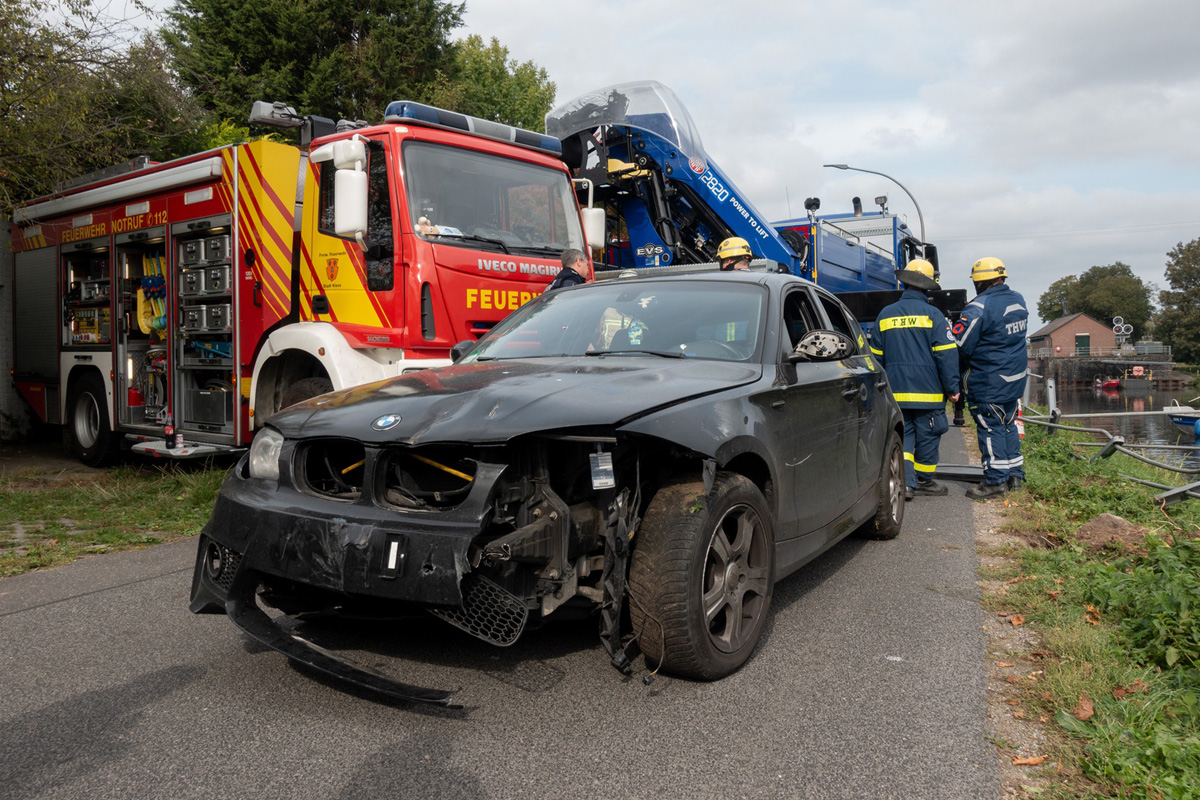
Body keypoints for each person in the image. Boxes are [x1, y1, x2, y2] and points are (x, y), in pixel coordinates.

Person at [871, 259, 961, 500]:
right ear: (927, 286)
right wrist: (953, 388)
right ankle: (923, 481)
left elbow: (875, 358)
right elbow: (947, 355)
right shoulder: (934, 316)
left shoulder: (885, 315)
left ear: (905, 282)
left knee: (904, 436)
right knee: (930, 435)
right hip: (928, 393)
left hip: (895, 392)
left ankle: (906, 483)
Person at [954, 257, 1029, 499]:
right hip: (1014, 379)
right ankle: (1014, 476)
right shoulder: (1018, 300)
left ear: (980, 282)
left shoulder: (978, 307)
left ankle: (995, 481)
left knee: (989, 428)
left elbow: (961, 345)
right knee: (1008, 426)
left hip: (989, 381)